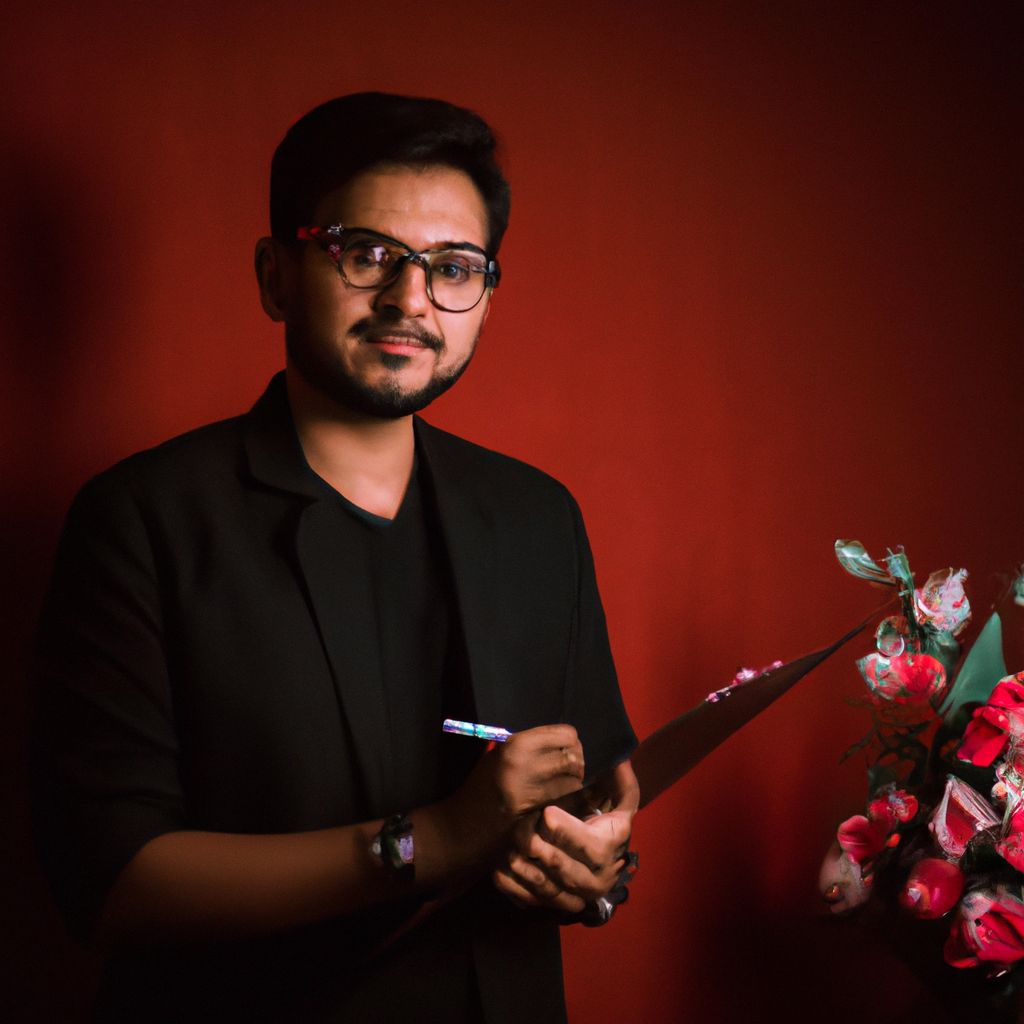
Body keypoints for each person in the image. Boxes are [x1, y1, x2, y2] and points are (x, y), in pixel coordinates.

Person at [32, 92, 639, 1024]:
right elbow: (114, 884)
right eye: (367, 255)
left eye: (453, 267)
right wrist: (433, 841)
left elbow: (600, 791)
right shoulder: (142, 518)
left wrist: (596, 866)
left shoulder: (537, 517)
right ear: (277, 275)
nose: (409, 299)